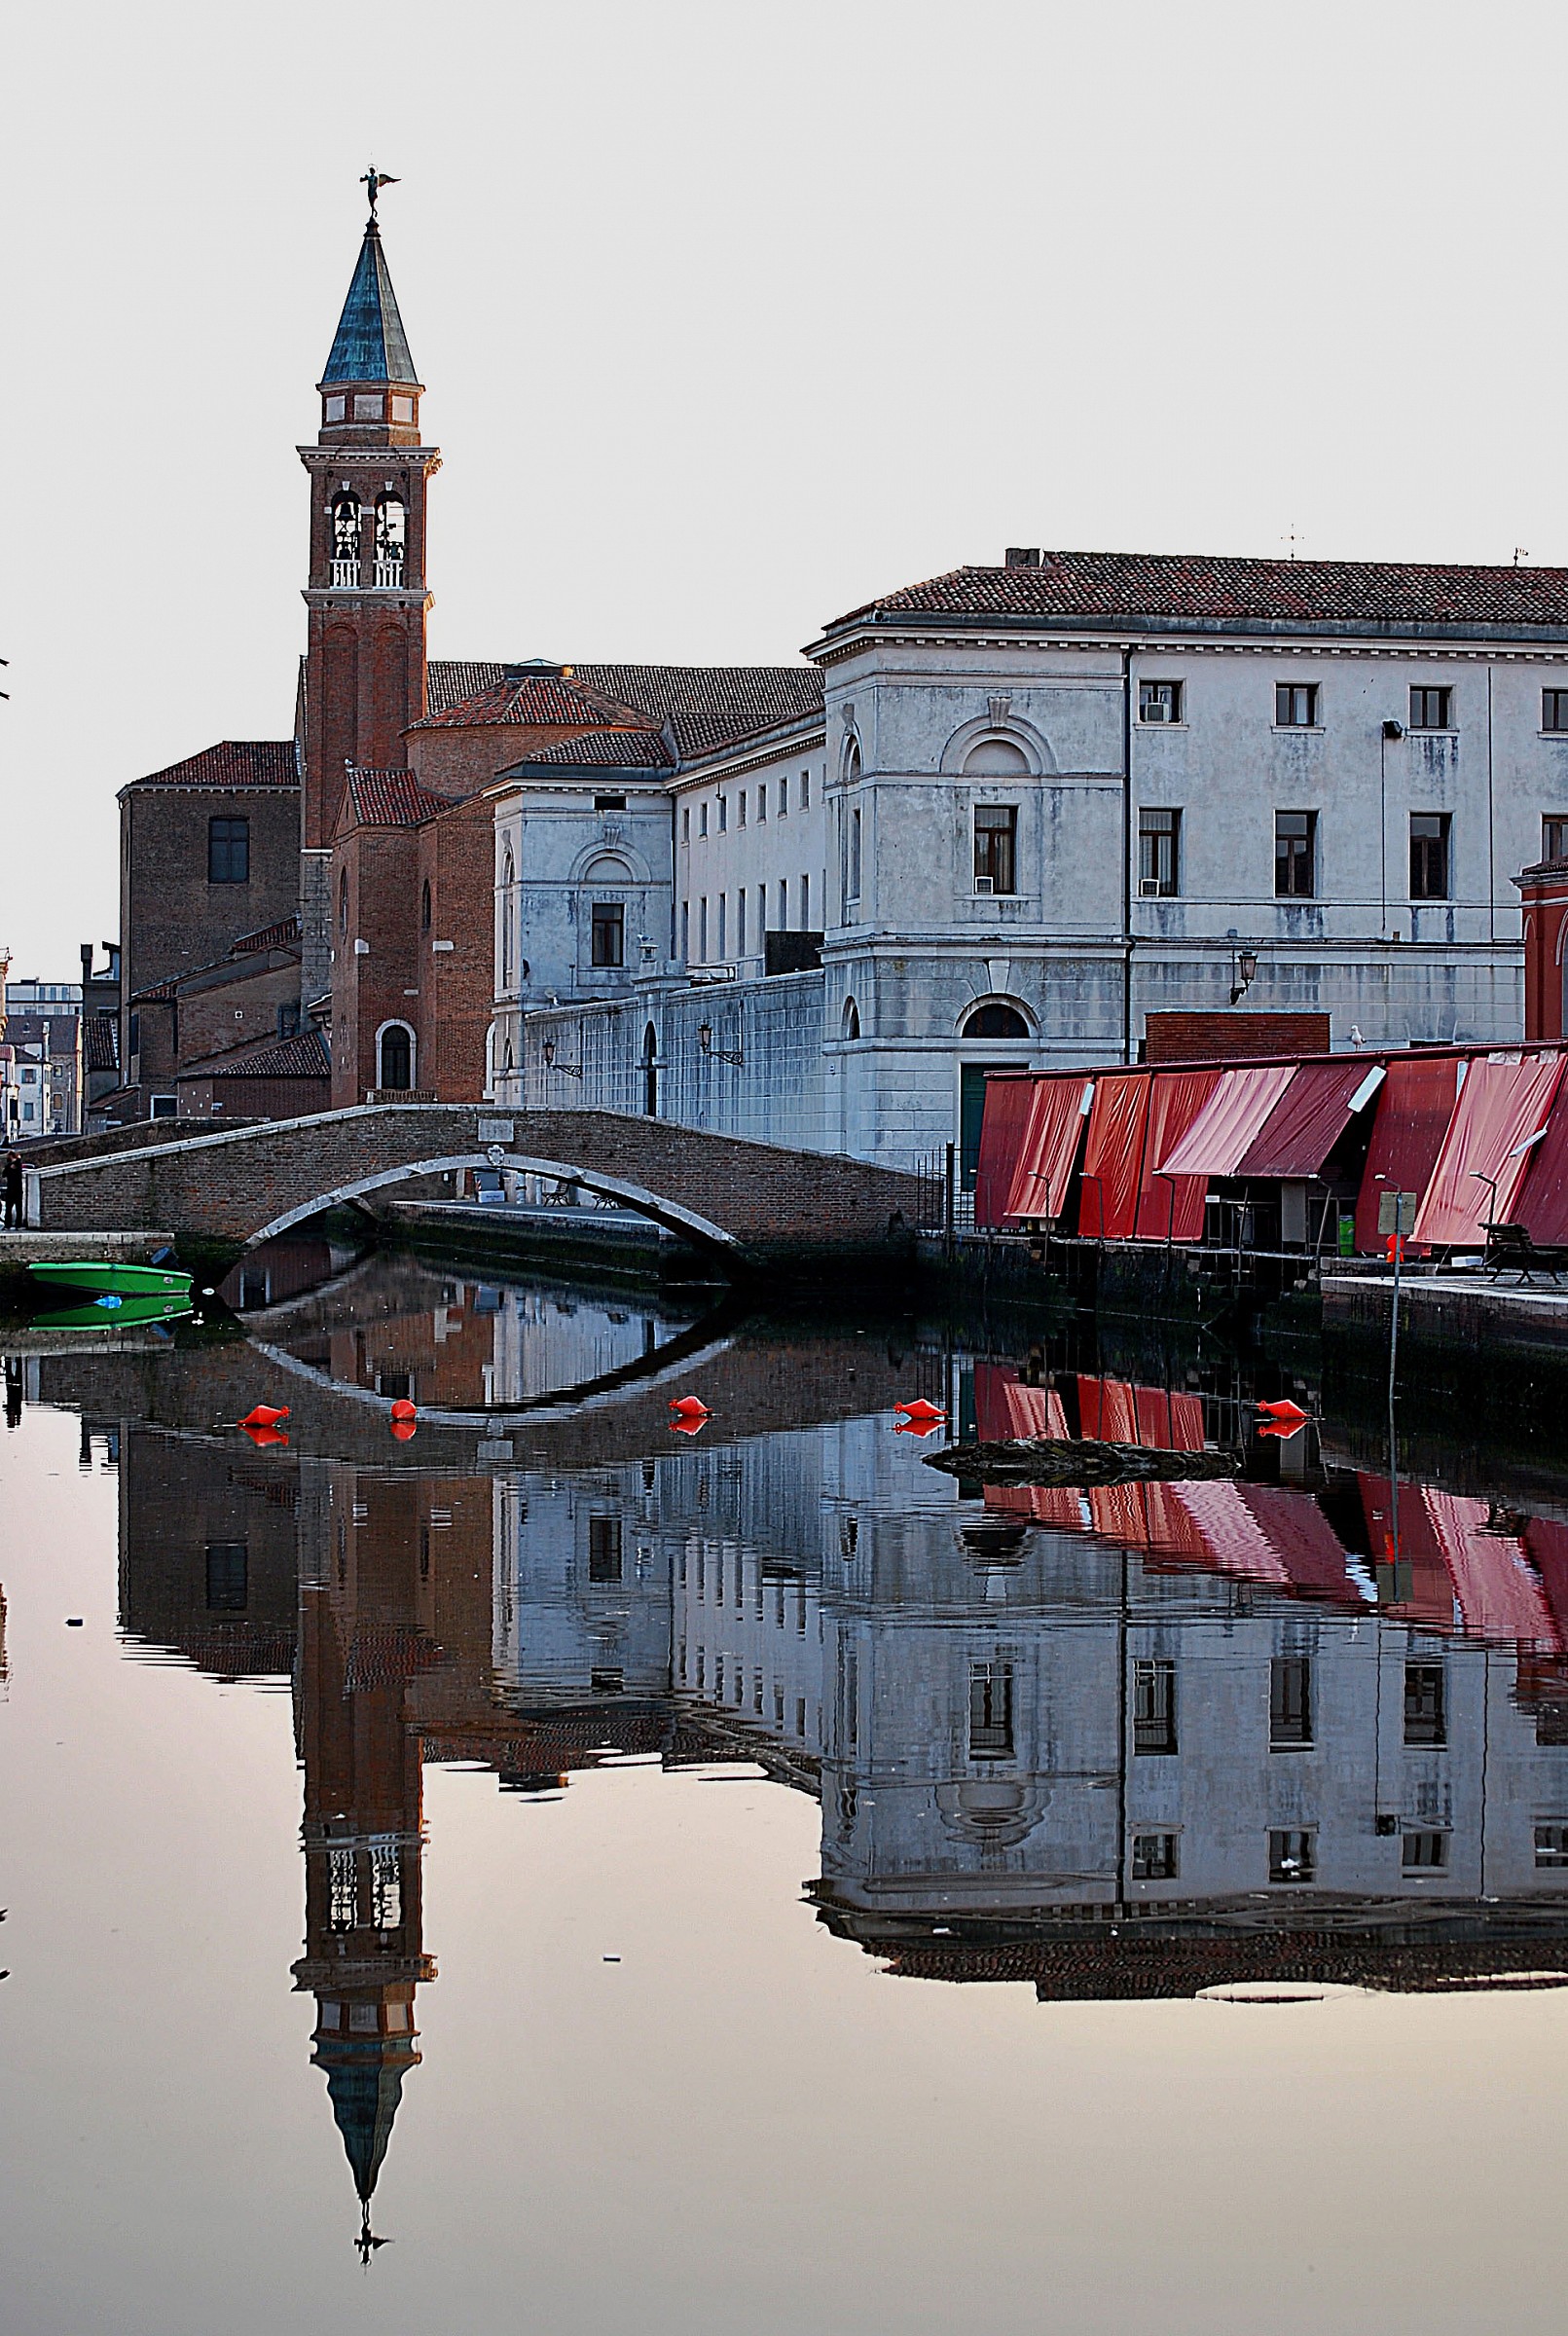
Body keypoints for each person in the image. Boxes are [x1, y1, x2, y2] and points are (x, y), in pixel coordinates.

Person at [3, 1150, 23, 1230]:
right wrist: (18, 1159)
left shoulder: (9, 1166)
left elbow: (4, 1174)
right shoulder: (19, 1165)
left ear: (10, 1156)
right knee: (18, 1208)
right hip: (18, 1189)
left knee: (8, 1208)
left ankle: (8, 1224)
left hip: (11, 1189)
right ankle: (18, 1225)